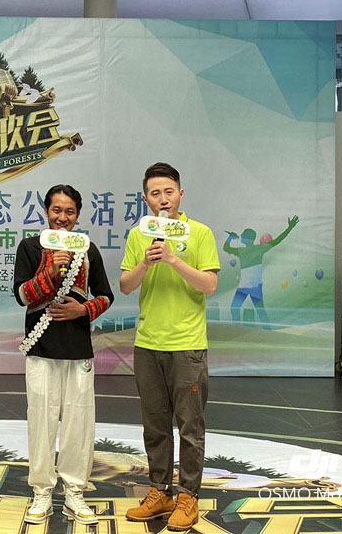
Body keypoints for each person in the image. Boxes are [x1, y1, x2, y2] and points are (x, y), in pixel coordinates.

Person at [119, 163, 220, 532]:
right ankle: (159, 491)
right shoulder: (138, 235)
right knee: (155, 425)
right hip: (148, 343)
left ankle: (188, 496)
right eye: (155, 193)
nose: (163, 199)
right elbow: (126, 286)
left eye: (169, 191)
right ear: (146, 199)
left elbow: (209, 285)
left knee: (190, 426)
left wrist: (174, 259)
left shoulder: (200, 233)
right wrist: (146, 262)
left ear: (181, 194)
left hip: (187, 345)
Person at [14, 184, 114, 526]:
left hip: (78, 348)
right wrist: (50, 270)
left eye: (69, 211)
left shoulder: (88, 249)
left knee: (78, 422)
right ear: (46, 211)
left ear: (77, 215)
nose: (62, 217)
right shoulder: (30, 247)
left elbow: (106, 296)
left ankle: (74, 493)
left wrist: (82, 310)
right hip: (41, 348)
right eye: (56, 210)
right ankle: (42, 492)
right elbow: (22, 295)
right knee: (40, 420)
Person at [224, 216, 299, 325]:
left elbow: (226, 248)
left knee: (236, 309)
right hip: (252, 286)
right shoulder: (258, 249)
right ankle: (262, 331)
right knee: (260, 313)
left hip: (246, 287)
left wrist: (230, 238)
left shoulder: (242, 251)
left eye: (243, 235)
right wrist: (290, 227)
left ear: (247, 238)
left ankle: (237, 329)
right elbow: (278, 240)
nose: (241, 237)